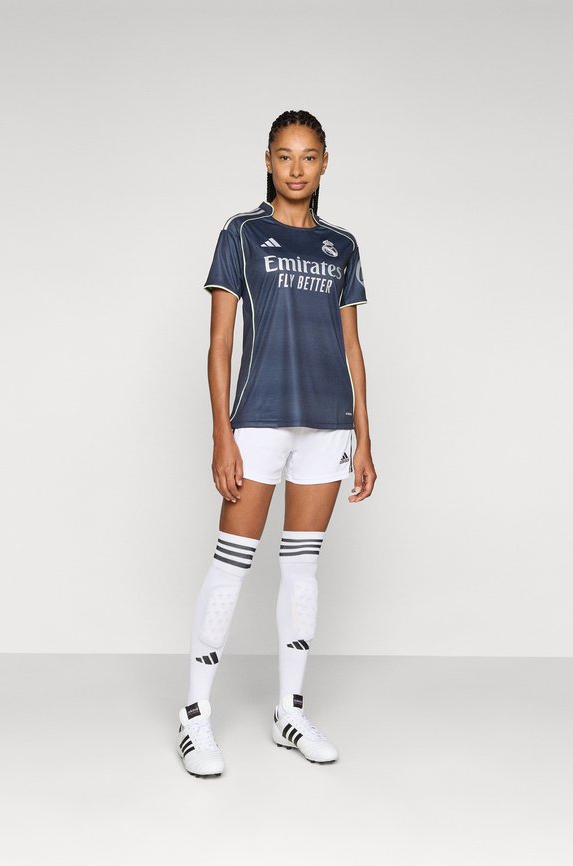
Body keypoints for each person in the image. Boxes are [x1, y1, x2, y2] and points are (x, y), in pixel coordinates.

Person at [177, 109, 377, 778]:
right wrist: (222, 433)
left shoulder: (342, 245)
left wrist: (365, 438)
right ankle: (195, 715)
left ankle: (289, 711)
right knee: (231, 565)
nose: (297, 168)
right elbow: (219, 343)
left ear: (325, 163)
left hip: (328, 425)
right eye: (285, 156)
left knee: (301, 571)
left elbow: (352, 348)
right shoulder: (242, 234)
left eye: (309, 156)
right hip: (259, 421)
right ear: (267, 160)